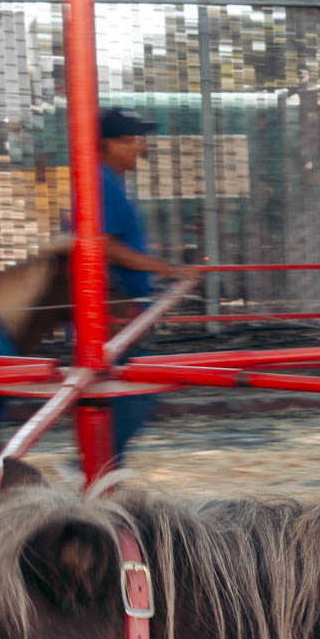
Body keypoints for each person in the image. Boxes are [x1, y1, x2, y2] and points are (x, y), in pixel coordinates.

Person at [94, 108, 193, 468]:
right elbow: (102, 245)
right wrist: (167, 268)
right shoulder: (100, 181)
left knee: (127, 393)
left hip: (123, 309)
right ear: (109, 144)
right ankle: (96, 466)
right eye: (132, 140)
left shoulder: (110, 181)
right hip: (117, 313)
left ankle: (102, 467)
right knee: (131, 391)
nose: (140, 148)